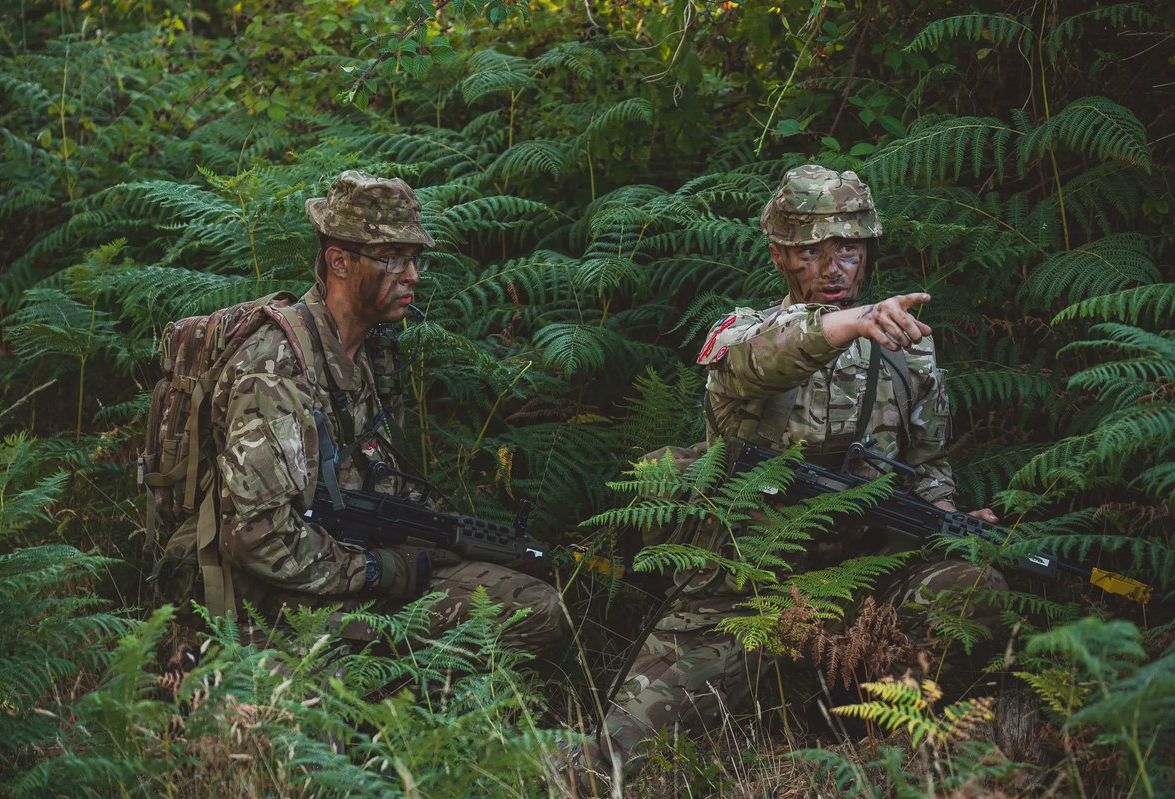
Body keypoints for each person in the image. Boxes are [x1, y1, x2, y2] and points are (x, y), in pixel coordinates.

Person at [581, 164, 1007, 784]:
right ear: (781, 255)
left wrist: (944, 513)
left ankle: (879, 735)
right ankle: (782, 696)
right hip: (744, 595)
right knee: (616, 762)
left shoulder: (904, 348)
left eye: (849, 248)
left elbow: (927, 464)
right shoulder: (742, 335)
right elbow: (767, 360)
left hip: (856, 592)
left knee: (972, 585)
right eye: (812, 250)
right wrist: (853, 324)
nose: (834, 267)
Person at [211, 170, 565, 653]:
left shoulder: (373, 353)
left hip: (359, 563)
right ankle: (397, 704)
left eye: (414, 259)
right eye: (392, 259)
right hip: (284, 598)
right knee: (533, 611)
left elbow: (382, 480)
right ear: (339, 261)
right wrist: (375, 571)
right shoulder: (275, 372)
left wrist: (434, 540)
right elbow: (257, 537)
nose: (413, 276)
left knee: (535, 598)